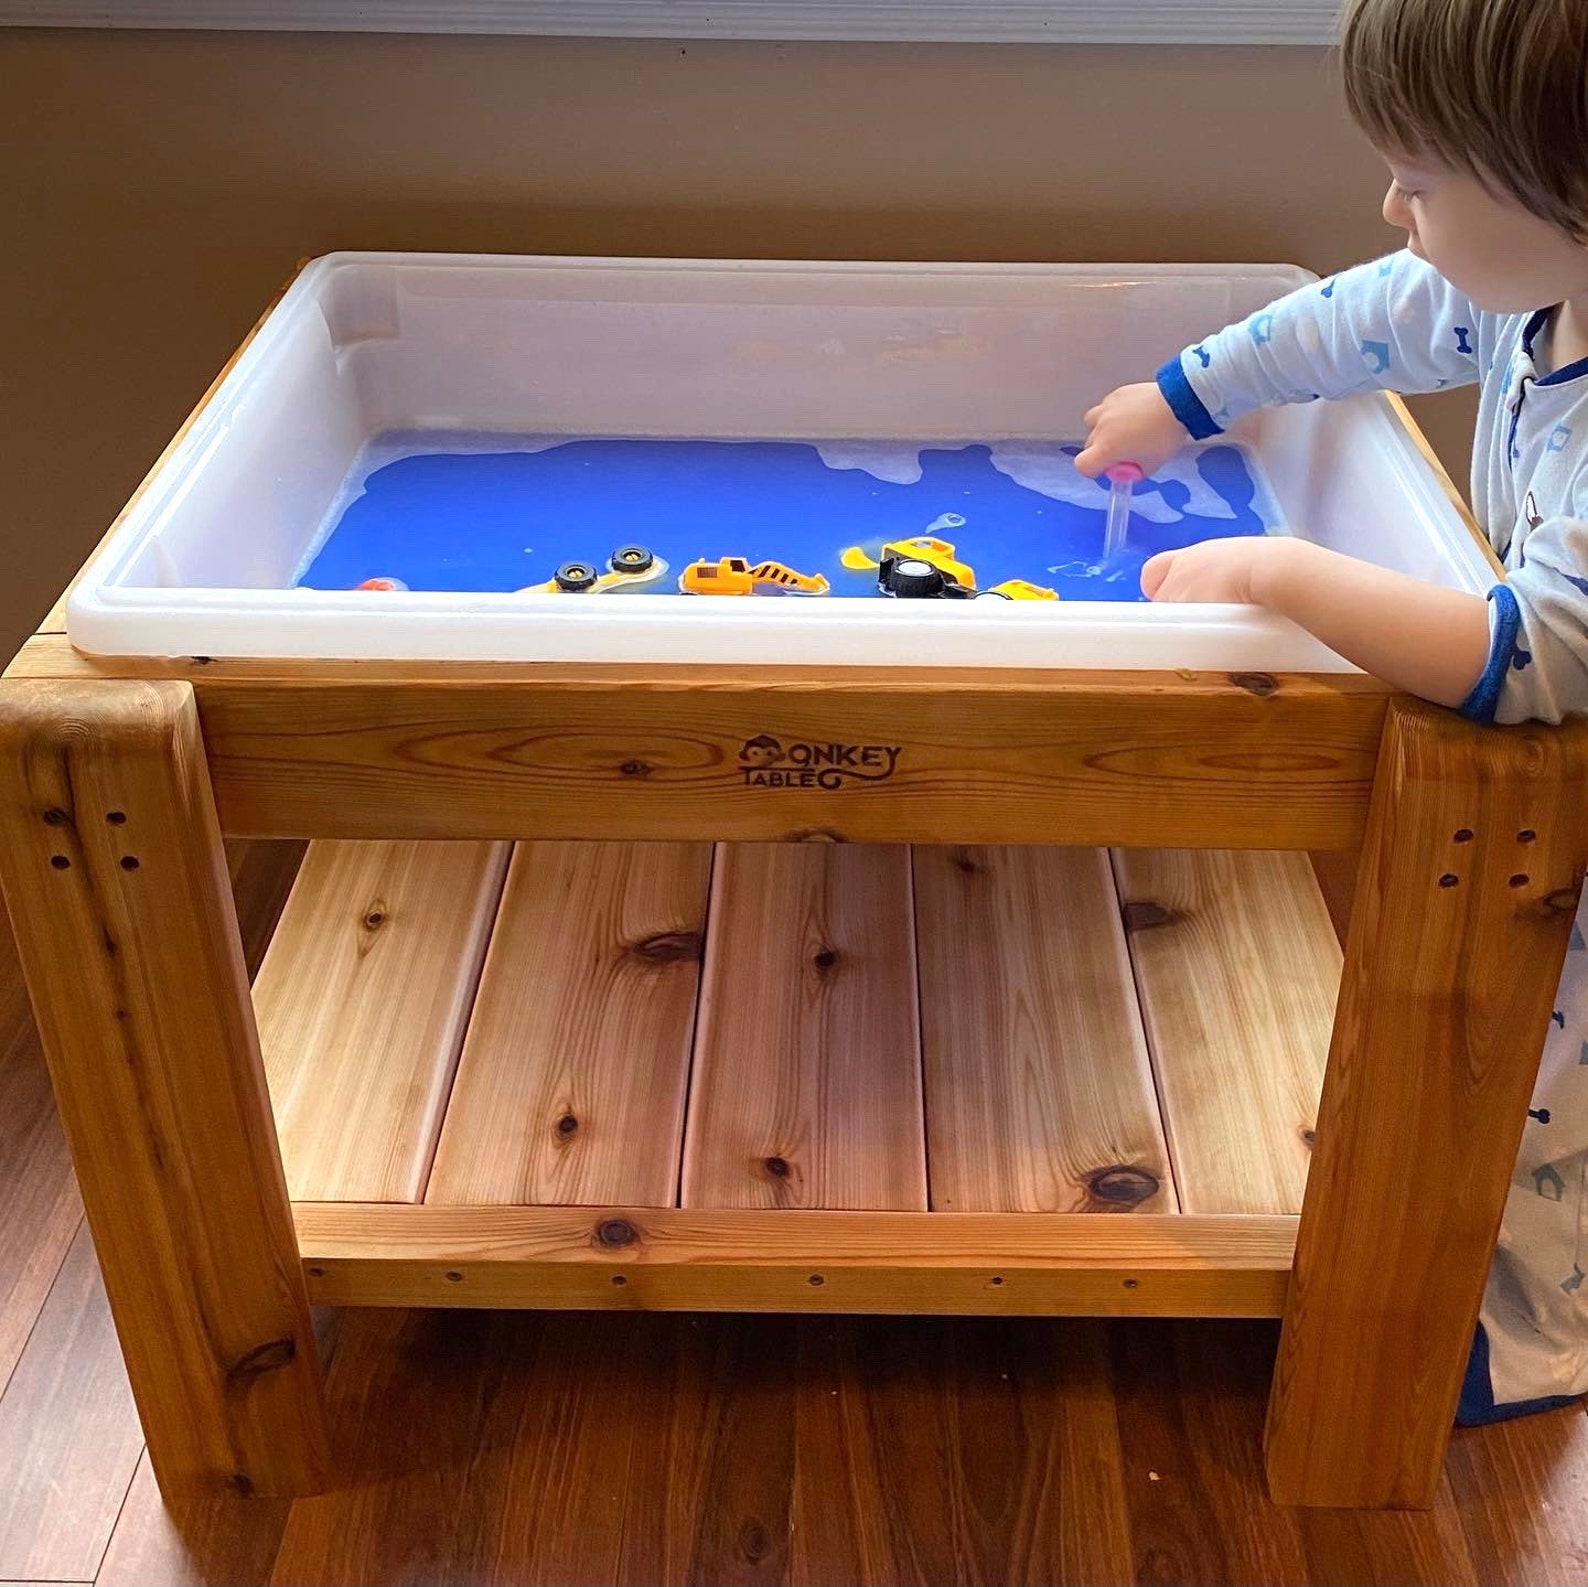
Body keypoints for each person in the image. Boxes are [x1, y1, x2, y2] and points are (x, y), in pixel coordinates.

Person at [1077, 0, 1588, 1422]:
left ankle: (1523, 1338)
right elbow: (1368, 316)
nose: (1391, 207)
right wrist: (1184, 394)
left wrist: (1282, 570)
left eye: (1422, 182)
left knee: (1537, 1072)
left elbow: (1535, 653)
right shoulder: (1532, 282)